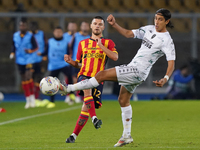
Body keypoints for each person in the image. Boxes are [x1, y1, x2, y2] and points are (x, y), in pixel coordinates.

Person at [57, 8, 176, 147]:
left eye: (160, 19)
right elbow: (128, 34)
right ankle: (126, 136)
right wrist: (114, 24)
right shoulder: (149, 29)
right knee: (123, 100)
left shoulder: (167, 41)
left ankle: (68, 88)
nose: (156, 21)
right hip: (135, 69)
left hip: (138, 71)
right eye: (155, 18)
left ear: (167, 21)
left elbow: (171, 62)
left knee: (101, 75)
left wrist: (166, 78)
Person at [63, 16, 118, 143]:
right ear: (91, 26)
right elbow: (79, 64)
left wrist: (101, 46)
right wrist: (71, 62)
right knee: (86, 89)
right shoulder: (82, 43)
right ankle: (94, 118)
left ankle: (73, 136)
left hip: (99, 78)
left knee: (85, 108)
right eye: (95, 23)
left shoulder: (108, 43)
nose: (97, 26)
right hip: (84, 75)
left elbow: (115, 57)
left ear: (103, 27)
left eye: (100, 24)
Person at [39, 26, 75, 108]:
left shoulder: (66, 42)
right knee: (51, 84)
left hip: (63, 64)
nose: (58, 33)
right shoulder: (50, 42)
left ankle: (71, 94)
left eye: (60, 32)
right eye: (56, 32)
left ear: (62, 33)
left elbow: (69, 52)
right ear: (54, 33)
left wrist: (69, 57)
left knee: (69, 76)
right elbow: (46, 51)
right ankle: (52, 101)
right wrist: (41, 54)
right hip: (53, 65)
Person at [10, 19, 38, 109]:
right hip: (19, 60)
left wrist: (30, 51)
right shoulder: (15, 35)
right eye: (21, 25)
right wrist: (12, 53)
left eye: (24, 25)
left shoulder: (30, 36)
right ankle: (27, 99)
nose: (22, 27)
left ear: (26, 26)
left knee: (28, 76)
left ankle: (32, 98)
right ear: (19, 26)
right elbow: (13, 46)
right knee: (23, 78)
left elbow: (36, 47)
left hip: (29, 59)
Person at [69, 21, 90, 103]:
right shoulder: (76, 35)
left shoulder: (90, 37)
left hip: (87, 62)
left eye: (86, 25)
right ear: (80, 27)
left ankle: (84, 97)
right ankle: (76, 96)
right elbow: (70, 47)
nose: (84, 27)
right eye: (83, 25)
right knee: (75, 79)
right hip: (76, 61)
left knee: (85, 80)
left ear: (89, 27)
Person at [29, 21, 47, 104]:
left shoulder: (41, 34)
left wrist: (45, 55)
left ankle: (37, 96)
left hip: (40, 60)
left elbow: (46, 45)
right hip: (30, 60)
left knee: (39, 78)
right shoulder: (28, 35)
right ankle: (31, 96)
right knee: (30, 78)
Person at [63, 22, 77, 104]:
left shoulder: (78, 36)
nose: (72, 27)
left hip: (75, 60)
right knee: (67, 78)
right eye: (70, 26)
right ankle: (67, 95)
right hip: (67, 60)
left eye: (73, 26)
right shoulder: (65, 36)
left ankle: (76, 95)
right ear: (68, 27)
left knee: (75, 78)